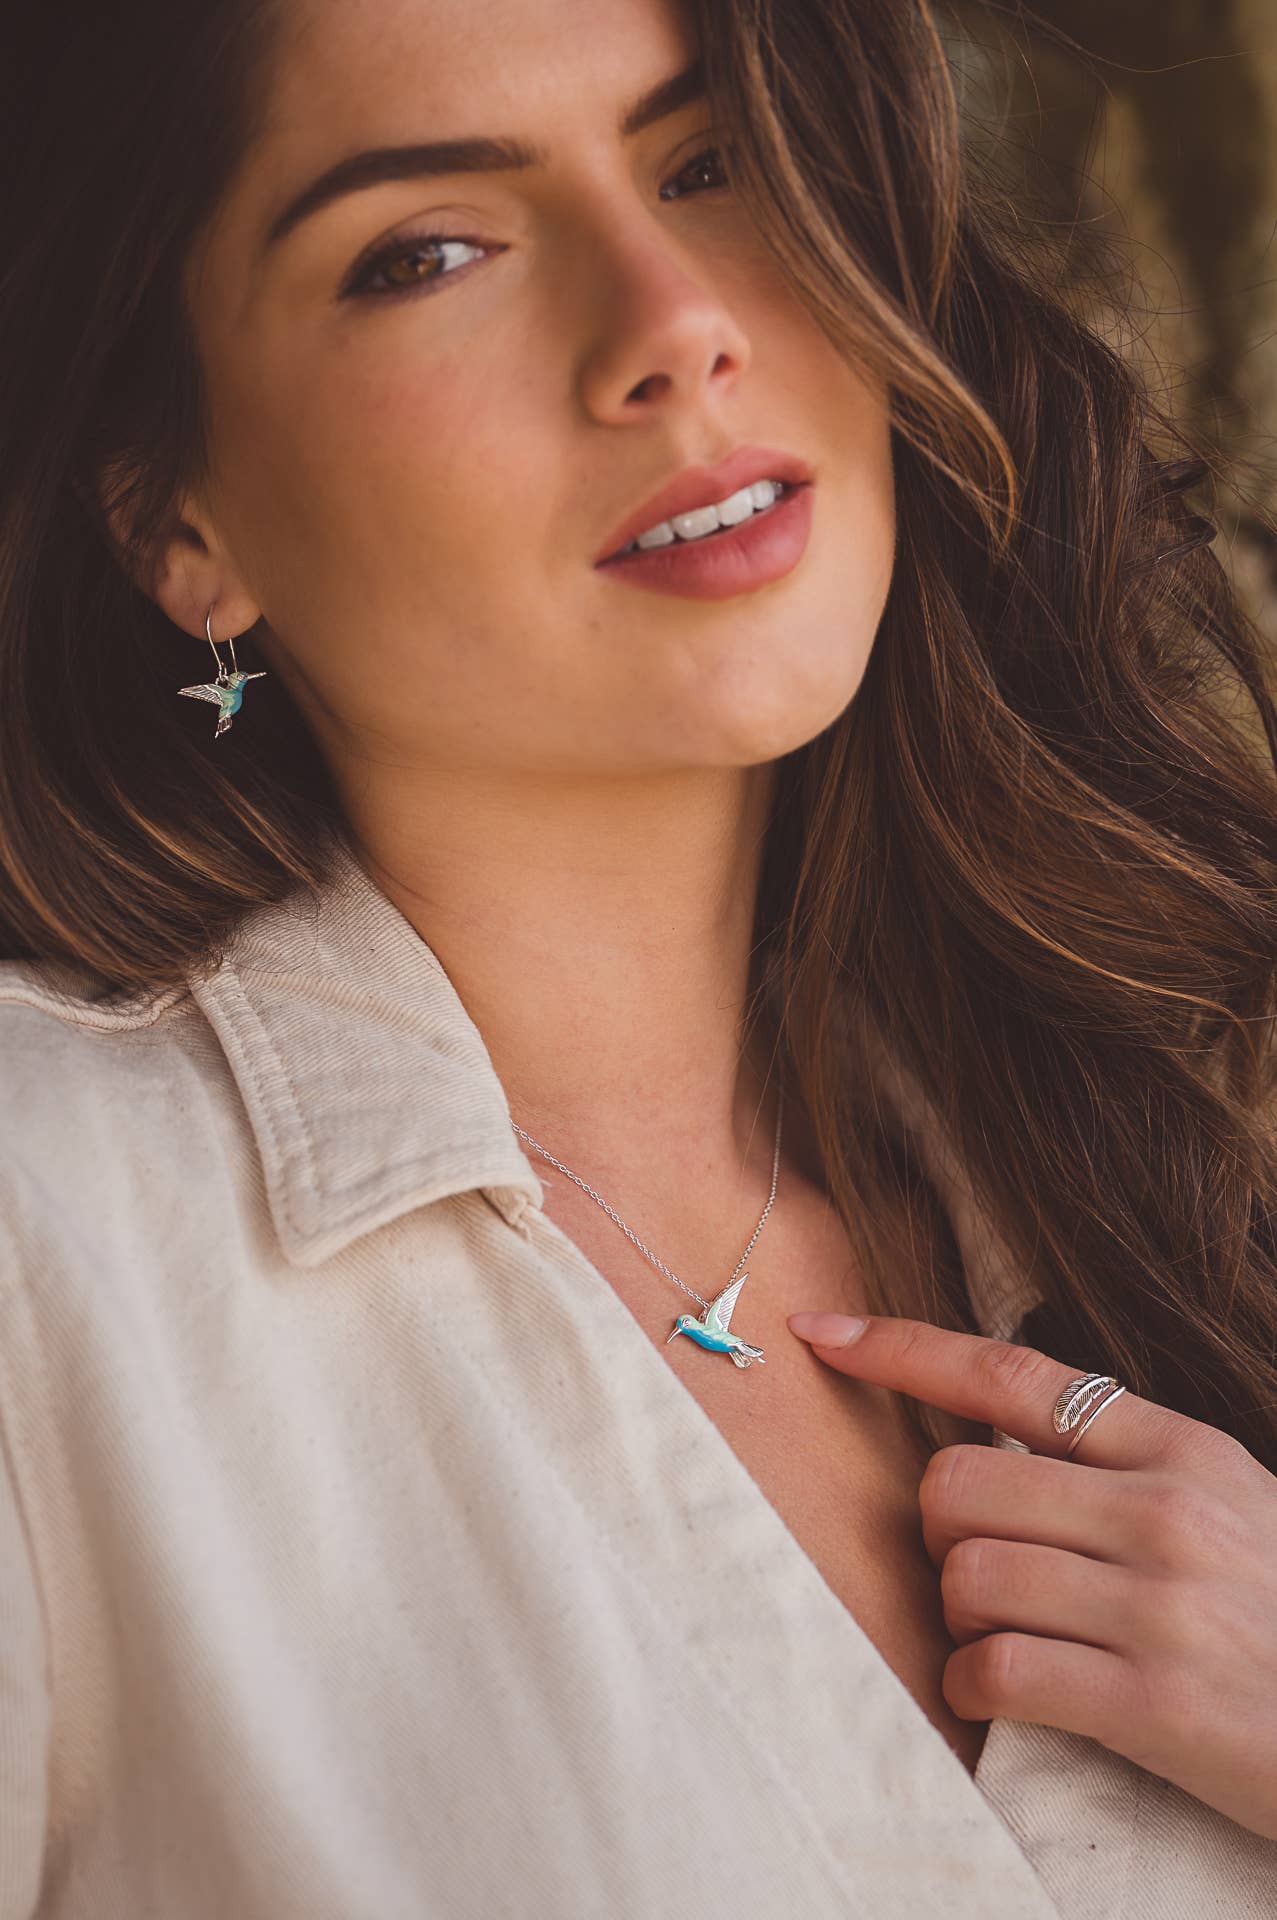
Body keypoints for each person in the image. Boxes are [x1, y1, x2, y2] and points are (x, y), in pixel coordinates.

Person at [2, 0, 1277, 1913]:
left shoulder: (1175, 1109)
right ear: (174, 515)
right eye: (426, 251)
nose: (671, 320)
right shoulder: (52, 1258)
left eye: (712, 165)